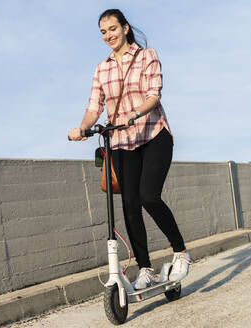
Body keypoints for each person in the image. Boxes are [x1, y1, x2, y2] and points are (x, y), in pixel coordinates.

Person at [68, 9, 191, 290]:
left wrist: (133, 114)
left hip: (153, 135)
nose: (108, 35)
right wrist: (82, 128)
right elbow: (93, 107)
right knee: (129, 205)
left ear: (124, 28)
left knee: (149, 196)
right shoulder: (102, 68)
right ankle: (145, 268)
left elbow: (153, 95)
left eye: (112, 29)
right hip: (121, 142)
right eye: (103, 32)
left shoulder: (147, 56)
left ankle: (181, 252)